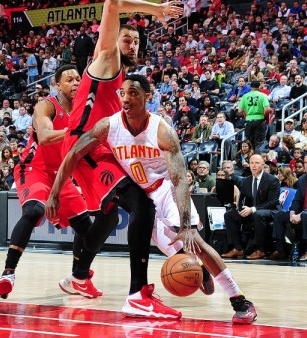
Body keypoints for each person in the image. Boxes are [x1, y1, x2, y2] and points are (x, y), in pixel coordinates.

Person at [48, 74, 257, 324]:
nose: (126, 98)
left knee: (195, 243)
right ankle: (197, 270)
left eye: (133, 93)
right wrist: (55, 193)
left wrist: (187, 224)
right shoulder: (109, 126)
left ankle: (239, 300)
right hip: (141, 197)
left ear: (148, 96)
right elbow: (73, 153)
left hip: (164, 189)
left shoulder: (162, 130)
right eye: (123, 93)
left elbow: (179, 180)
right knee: (169, 249)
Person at [47, 0, 185, 320]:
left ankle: (78, 276)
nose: (132, 43)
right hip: (86, 149)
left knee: (109, 218)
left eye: (136, 40)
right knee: (142, 205)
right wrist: (158, 10)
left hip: (103, 147)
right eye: (126, 38)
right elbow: (112, 3)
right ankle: (138, 295)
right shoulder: (106, 59)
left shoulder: (122, 77)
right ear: (112, 40)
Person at [0, 66, 100, 300]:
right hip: (34, 169)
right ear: (57, 84)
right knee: (33, 211)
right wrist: (77, 130)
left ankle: (77, 278)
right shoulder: (46, 105)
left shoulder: (84, 109)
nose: (74, 83)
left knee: (88, 230)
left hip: (61, 173)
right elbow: (45, 137)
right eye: (69, 79)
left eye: (78, 79)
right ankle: (8, 273)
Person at [223, 154, 280, 260]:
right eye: (252, 163)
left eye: (257, 163)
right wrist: (240, 209)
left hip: (270, 210)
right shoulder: (246, 181)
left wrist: (253, 209)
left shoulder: (272, 180)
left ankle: (261, 250)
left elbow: (273, 202)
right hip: (251, 210)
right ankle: (238, 248)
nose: (254, 166)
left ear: (263, 165)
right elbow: (242, 198)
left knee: (258, 214)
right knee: (229, 215)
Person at [239, 81, 271, 150]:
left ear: (251, 87)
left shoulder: (245, 96)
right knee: (259, 143)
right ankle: (257, 159)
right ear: (259, 87)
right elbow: (267, 109)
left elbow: (240, 111)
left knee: (250, 143)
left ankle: (250, 159)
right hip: (259, 120)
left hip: (249, 121)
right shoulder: (262, 95)